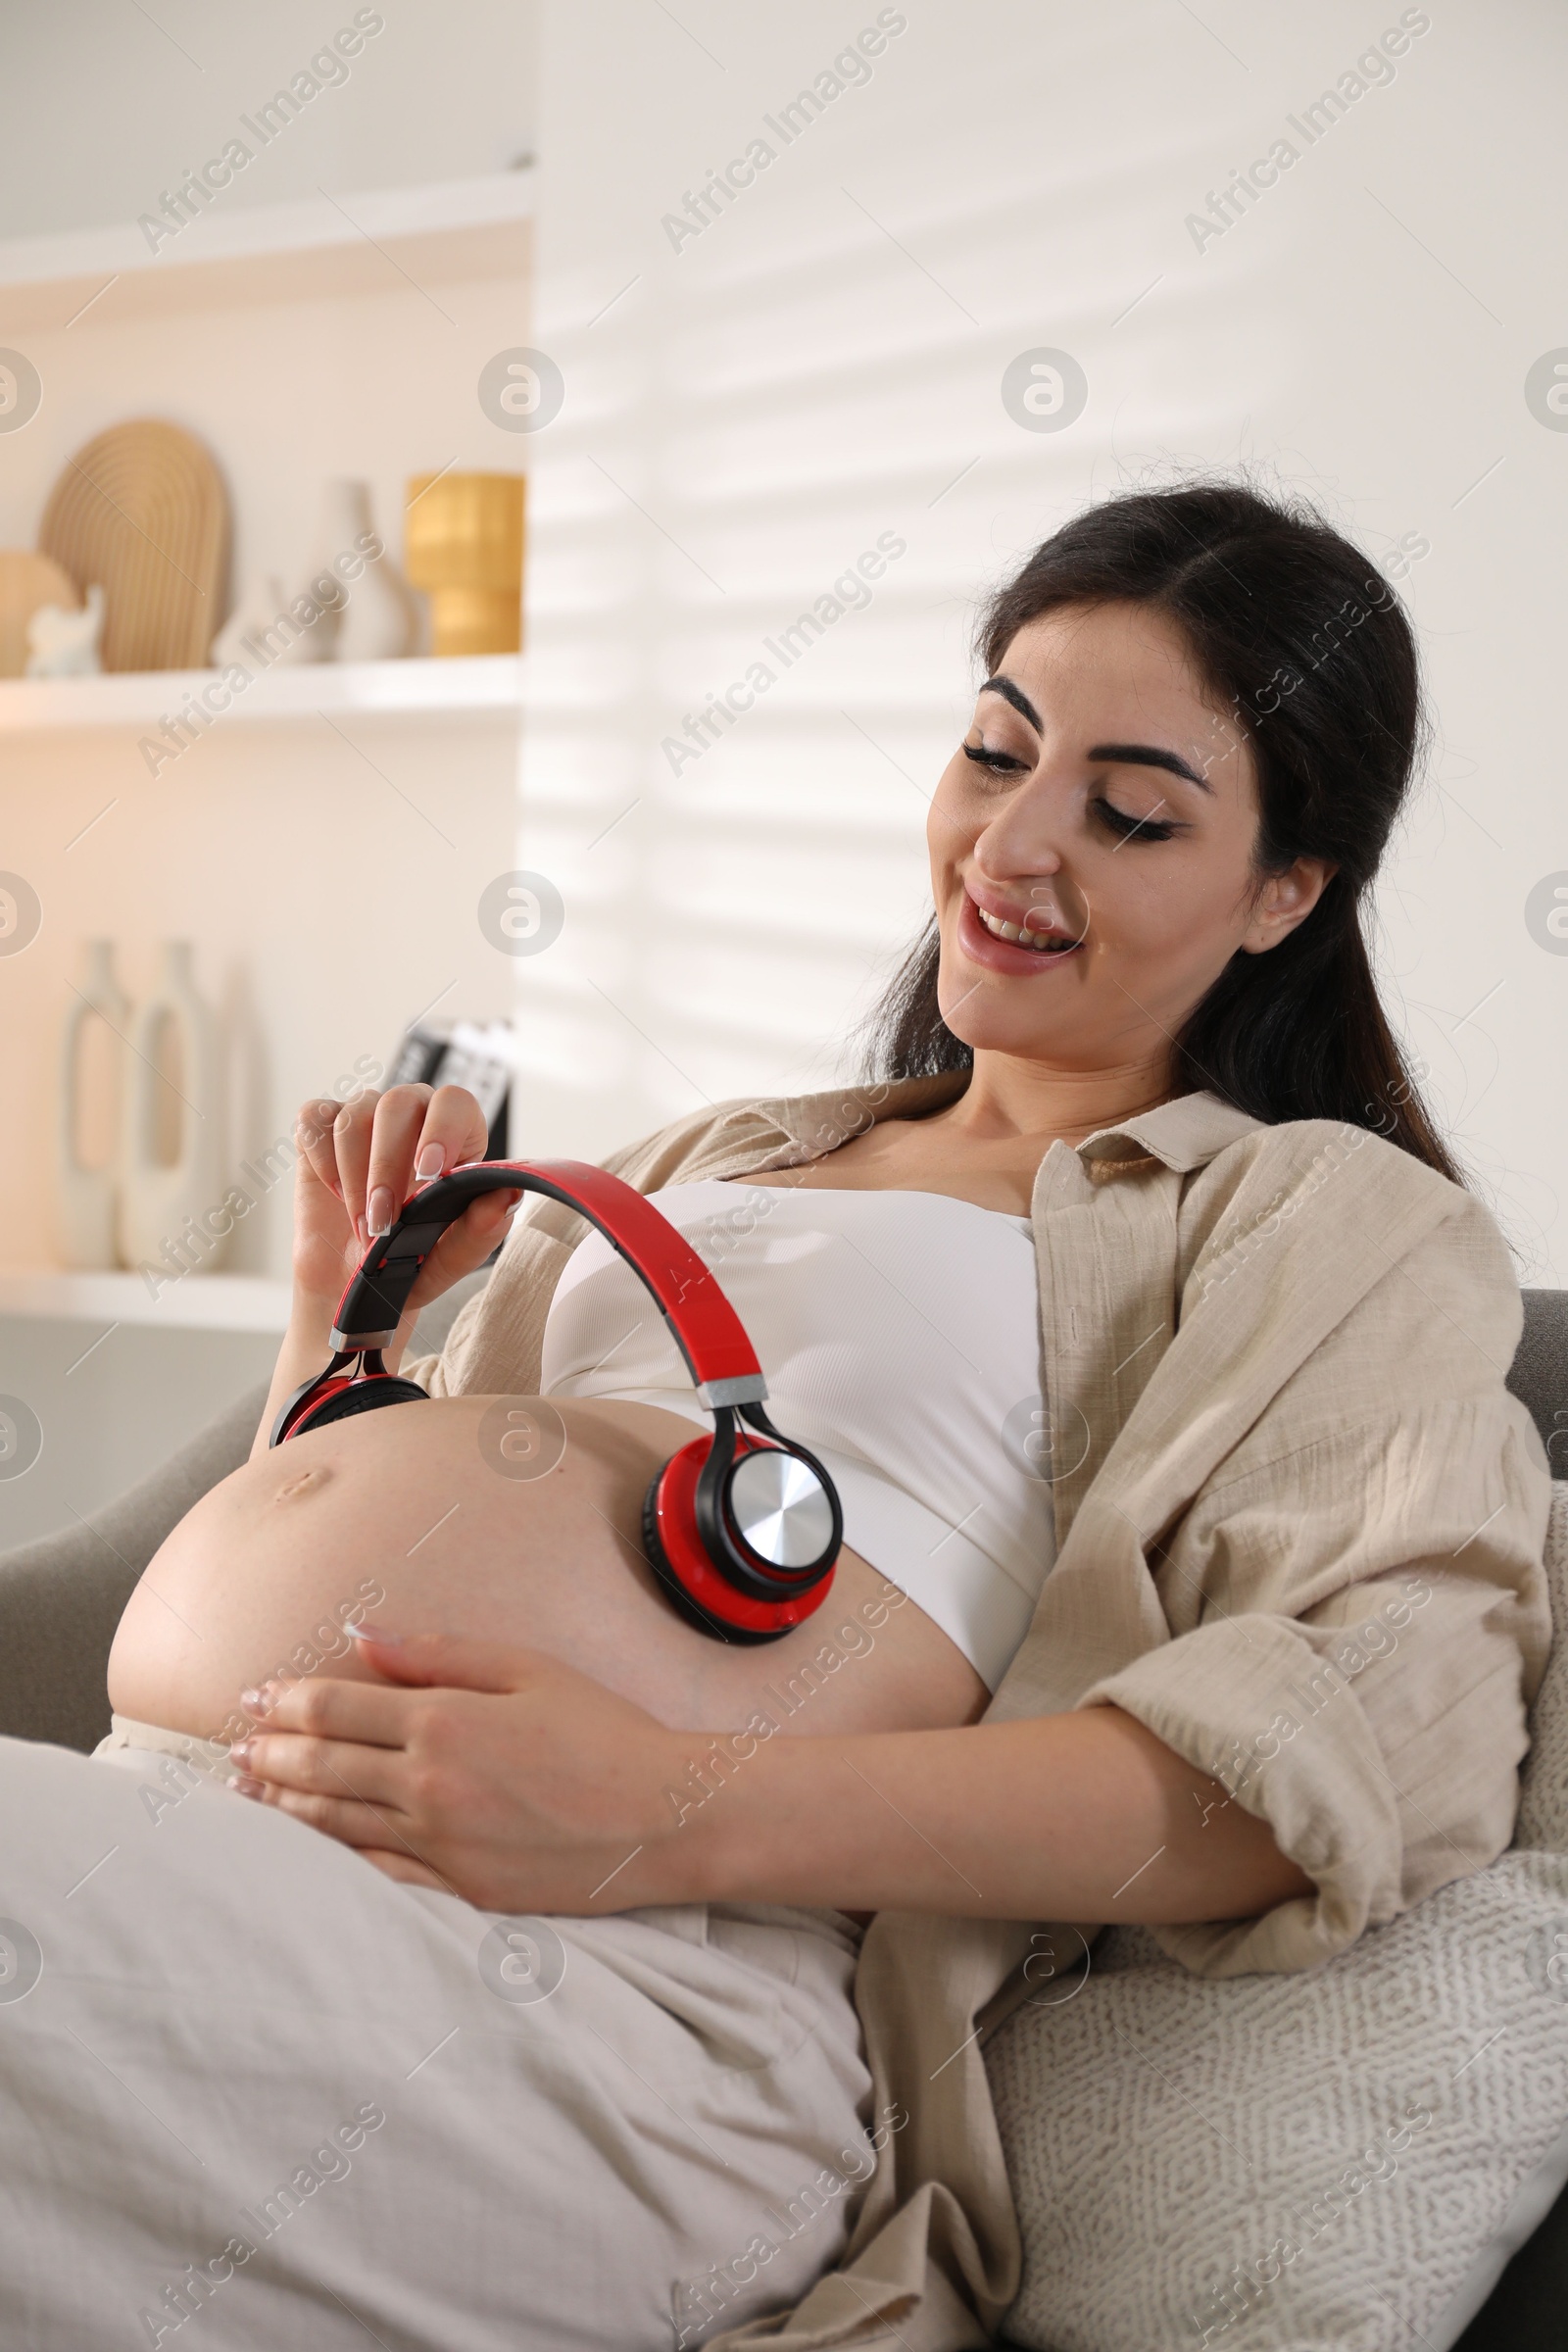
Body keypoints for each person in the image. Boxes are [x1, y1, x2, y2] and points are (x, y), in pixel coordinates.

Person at [4, 482, 1549, 2352]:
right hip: (198, 1831)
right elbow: (320, 1563)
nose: (1015, 842)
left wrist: (667, 1812)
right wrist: (343, 1341)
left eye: (1131, 811)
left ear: (1287, 891)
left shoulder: (1317, 1225)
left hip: (616, 2000)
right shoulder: (716, 1158)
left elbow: (1346, 1765)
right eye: (997, 750)